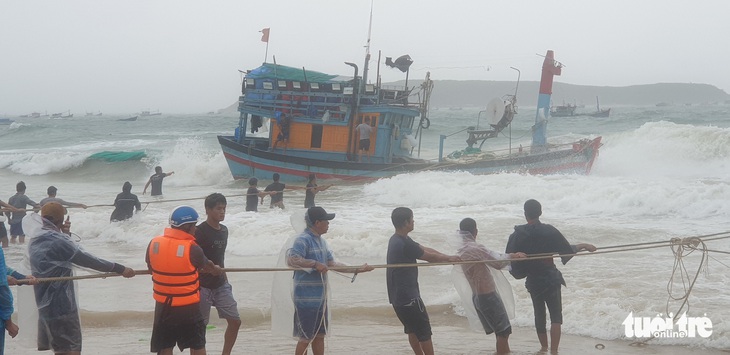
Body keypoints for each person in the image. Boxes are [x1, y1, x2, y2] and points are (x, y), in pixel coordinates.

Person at [29, 202, 135, 355]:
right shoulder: (59, 241)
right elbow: (89, 260)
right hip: (62, 304)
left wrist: (65, 234)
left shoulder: (35, 239)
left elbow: (58, 255)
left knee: (59, 348)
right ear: (60, 220)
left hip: (43, 304)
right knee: (72, 348)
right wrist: (120, 269)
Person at [505, 199, 596, 353]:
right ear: (540, 213)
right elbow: (566, 250)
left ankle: (543, 348)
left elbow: (509, 258)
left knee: (539, 314)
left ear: (525, 214)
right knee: (555, 316)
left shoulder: (517, 235)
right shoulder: (549, 231)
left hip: (533, 279)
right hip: (550, 277)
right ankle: (554, 351)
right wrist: (584, 245)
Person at [287, 206, 373, 355]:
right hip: (306, 298)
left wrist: (357, 269)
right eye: (326, 221)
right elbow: (292, 260)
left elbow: (332, 264)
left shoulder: (321, 242)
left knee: (319, 336)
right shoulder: (303, 239)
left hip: (320, 298)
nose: (329, 224)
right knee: (306, 338)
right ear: (317, 222)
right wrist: (314, 264)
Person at [146, 205, 223, 355]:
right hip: (188, 307)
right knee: (197, 344)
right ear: (187, 226)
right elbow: (207, 266)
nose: (195, 229)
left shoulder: (154, 243)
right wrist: (216, 270)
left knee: (165, 346)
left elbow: (151, 268)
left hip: (163, 306)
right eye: (194, 225)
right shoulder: (192, 248)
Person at [386, 207, 460, 355]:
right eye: (412, 219)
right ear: (406, 222)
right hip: (410, 297)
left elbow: (424, 249)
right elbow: (429, 257)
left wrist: (449, 257)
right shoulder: (404, 244)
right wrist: (449, 258)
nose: (414, 221)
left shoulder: (398, 239)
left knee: (412, 329)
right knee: (424, 331)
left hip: (397, 297)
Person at [456, 218, 526, 355]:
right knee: (503, 332)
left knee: (500, 332)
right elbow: (497, 263)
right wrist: (514, 256)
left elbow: (494, 258)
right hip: (487, 295)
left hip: (477, 297)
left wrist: (510, 255)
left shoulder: (462, 250)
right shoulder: (475, 248)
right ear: (475, 231)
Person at [194, 194, 241, 355]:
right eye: (218, 209)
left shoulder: (224, 230)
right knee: (200, 327)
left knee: (235, 321)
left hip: (221, 284)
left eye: (224, 208)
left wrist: (226, 281)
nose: (222, 212)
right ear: (208, 210)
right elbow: (193, 259)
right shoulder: (199, 231)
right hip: (201, 285)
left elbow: (221, 259)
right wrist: (207, 269)